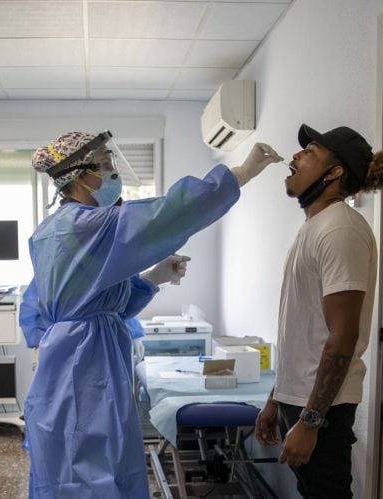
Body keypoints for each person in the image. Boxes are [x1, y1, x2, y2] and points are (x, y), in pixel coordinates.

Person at [19, 130, 282, 498]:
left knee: (91, 463)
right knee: (90, 472)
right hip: (84, 369)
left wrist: (151, 279)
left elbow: (92, 304)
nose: (114, 173)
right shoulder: (90, 225)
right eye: (107, 165)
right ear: (78, 176)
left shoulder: (54, 230)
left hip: (72, 363)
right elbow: (170, 214)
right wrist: (239, 174)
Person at [254, 124, 383, 498]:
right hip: (299, 397)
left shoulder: (340, 230)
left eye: (310, 152)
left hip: (321, 408)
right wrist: (275, 400)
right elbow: (303, 333)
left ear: (334, 173)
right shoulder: (314, 228)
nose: (295, 156)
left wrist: (311, 421)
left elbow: (342, 336)